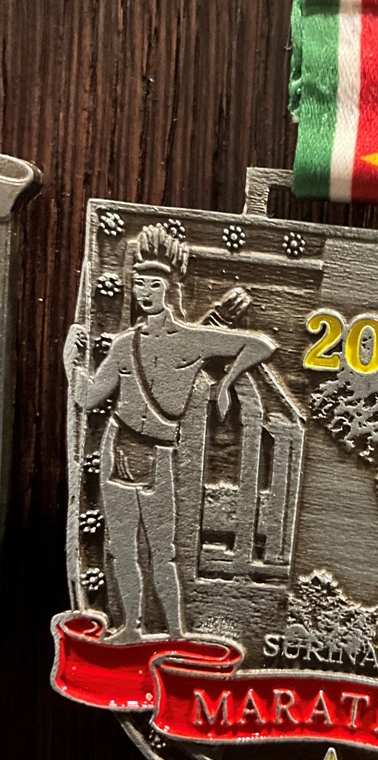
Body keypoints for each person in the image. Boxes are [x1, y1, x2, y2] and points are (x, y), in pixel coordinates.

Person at [64, 223, 276, 642]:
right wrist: (70, 363)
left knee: (163, 551)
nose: (144, 292)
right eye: (139, 284)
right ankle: (131, 627)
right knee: (122, 547)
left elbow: (261, 346)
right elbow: (88, 398)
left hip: (159, 453)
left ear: (171, 288)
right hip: (118, 444)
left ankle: (176, 632)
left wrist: (227, 382)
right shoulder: (124, 345)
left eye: (154, 285)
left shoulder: (192, 340)